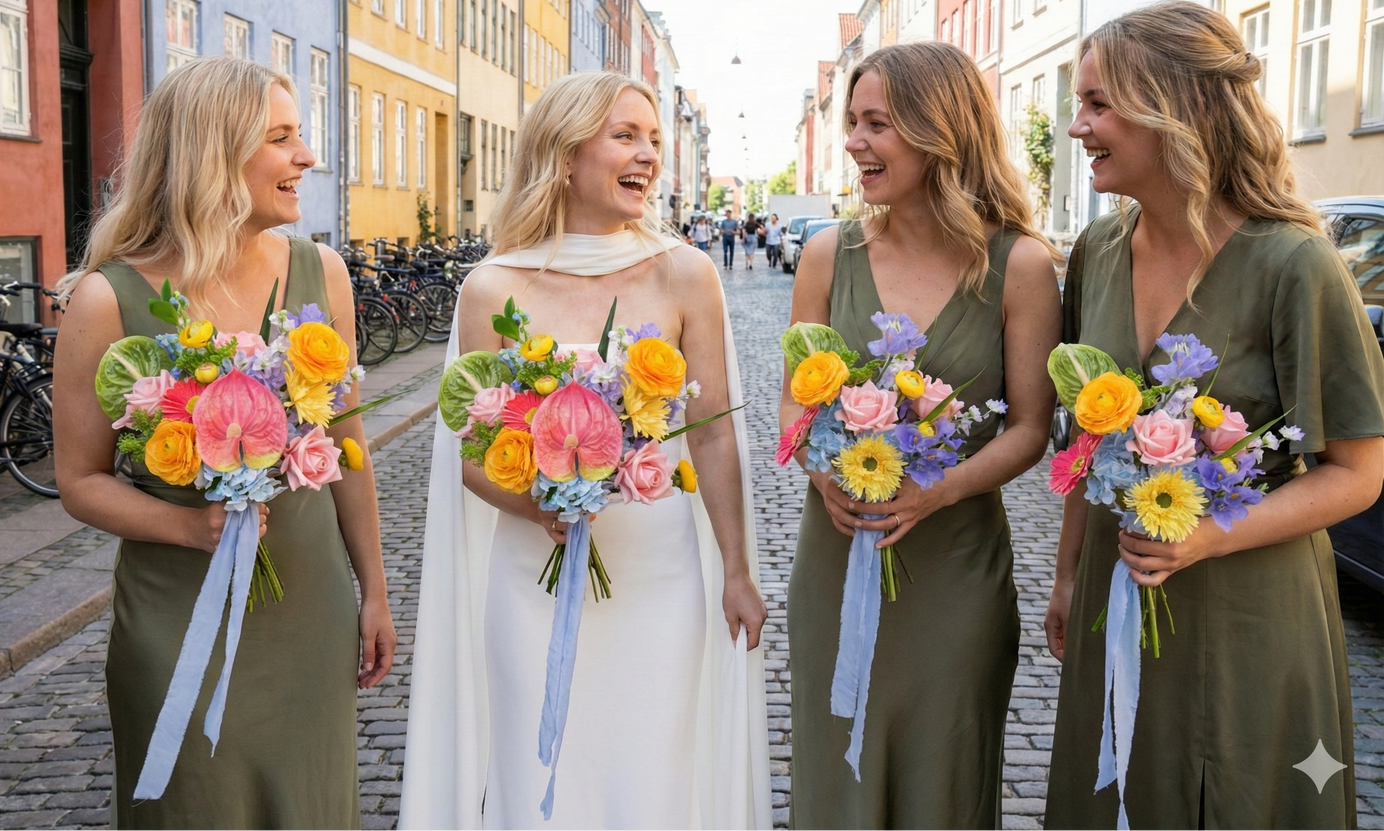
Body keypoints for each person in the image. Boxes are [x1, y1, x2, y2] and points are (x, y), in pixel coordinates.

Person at [399, 71, 771, 831]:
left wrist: (735, 568)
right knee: (536, 771)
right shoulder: (490, 288)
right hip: (527, 580)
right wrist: (536, 502)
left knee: (648, 776)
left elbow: (712, 431)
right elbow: (471, 454)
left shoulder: (686, 274)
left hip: (660, 576)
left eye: (655, 141)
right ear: (565, 155)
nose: (648, 156)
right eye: (625, 136)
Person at [1043, 5, 1384, 828]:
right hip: (1112, 593)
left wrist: (1210, 533)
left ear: (1174, 106)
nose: (1075, 126)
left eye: (1097, 105)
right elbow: (1090, 444)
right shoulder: (1095, 252)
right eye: (1077, 104)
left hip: (1248, 614)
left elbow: (1359, 472)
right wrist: (1064, 574)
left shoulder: (1292, 262)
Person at [51, 57, 395, 829]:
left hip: (309, 613)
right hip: (177, 620)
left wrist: (371, 590)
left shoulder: (323, 273)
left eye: (299, 135)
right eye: (280, 138)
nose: (305, 156)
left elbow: (347, 444)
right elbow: (79, 479)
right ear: (213, 153)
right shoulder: (108, 298)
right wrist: (186, 524)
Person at [781, 42, 1060, 829]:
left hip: (954, 568)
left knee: (944, 771)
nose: (853, 142)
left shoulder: (1021, 266)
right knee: (834, 769)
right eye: (851, 122)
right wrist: (823, 471)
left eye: (876, 124)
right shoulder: (826, 255)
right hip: (835, 557)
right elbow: (792, 411)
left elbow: (1032, 428)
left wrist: (937, 488)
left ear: (939, 131)